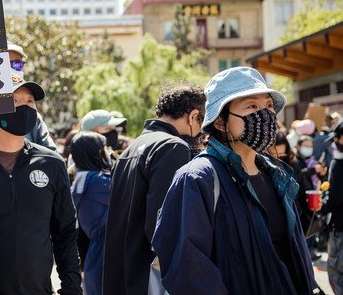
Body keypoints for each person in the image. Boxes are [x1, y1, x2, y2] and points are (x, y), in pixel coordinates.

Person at [152, 66, 315, 294]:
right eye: (251, 106)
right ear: (219, 121)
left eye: (268, 105)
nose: (265, 114)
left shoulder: (277, 176)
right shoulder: (197, 180)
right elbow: (187, 271)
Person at [0, 73, 81, 294]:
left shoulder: (52, 163)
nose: (25, 108)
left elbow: (65, 232)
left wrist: (72, 287)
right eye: (14, 101)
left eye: (29, 101)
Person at [103, 83, 205, 295]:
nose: (202, 133)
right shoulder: (173, 146)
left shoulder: (131, 147)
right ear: (193, 116)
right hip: (150, 278)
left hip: (122, 273)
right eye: (203, 122)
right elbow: (162, 227)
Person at [69, 132, 111, 295]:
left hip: (94, 256)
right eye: (103, 149)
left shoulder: (80, 179)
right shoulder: (98, 181)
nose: (107, 152)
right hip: (107, 255)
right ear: (95, 154)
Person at [323, 122, 343, 292]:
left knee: (337, 271)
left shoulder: (338, 164)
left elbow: (333, 199)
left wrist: (322, 204)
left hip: (341, 227)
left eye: (337, 138)